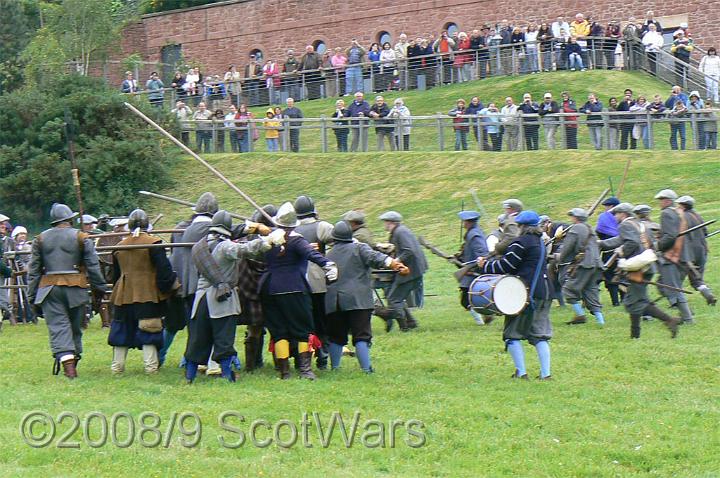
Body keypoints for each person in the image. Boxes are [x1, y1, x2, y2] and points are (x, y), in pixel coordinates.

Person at [185, 211, 276, 383]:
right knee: (224, 339)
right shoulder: (225, 246)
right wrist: (267, 242)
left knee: (197, 340)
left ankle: (190, 377)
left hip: (201, 299)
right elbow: (246, 249)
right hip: (221, 300)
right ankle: (228, 375)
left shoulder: (199, 245)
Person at [27, 204, 107, 379]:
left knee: (59, 327)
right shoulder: (81, 237)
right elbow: (93, 267)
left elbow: (33, 271)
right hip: (76, 288)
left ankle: (68, 365)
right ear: (70, 219)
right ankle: (71, 364)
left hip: (49, 289)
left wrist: (31, 296)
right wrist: (100, 289)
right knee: (75, 328)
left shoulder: (40, 239)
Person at [259, 202, 337, 380]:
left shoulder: (267, 240)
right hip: (294, 288)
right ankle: (305, 370)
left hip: (270, 289)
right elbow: (311, 254)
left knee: (280, 332)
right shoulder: (296, 240)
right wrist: (327, 264)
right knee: (303, 331)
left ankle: (284, 372)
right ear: (294, 224)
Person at [476, 210, 553, 380]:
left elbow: (506, 266)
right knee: (540, 335)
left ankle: (521, 372)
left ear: (521, 226)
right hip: (544, 291)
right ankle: (546, 374)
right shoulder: (539, 242)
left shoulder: (520, 243)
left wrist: (485, 265)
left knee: (512, 334)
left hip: (524, 294)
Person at [325, 221, 406, 373]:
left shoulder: (328, 254)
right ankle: (366, 369)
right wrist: (394, 264)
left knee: (336, 337)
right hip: (358, 300)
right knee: (361, 336)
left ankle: (335, 368)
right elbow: (377, 258)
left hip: (334, 301)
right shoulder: (359, 248)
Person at [108, 209, 177, 375]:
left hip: (123, 294)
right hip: (148, 294)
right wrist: (166, 290)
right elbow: (164, 272)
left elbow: (115, 275)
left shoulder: (119, 246)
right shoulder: (154, 243)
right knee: (149, 328)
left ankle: (117, 368)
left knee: (121, 330)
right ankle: (150, 368)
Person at [598, 202, 680, 339]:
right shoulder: (639, 224)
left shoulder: (625, 225)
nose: (615, 217)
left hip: (637, 268)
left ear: (623, 214)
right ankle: (635, 335)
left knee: (635, 302)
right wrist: (602, 244)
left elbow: (631, 243)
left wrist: (622, 252)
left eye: (616, 214)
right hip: (646, 265)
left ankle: (669, 320)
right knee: (636, 300)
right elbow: (621, 239)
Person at [160, 192, 219, 367]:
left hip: (179, 283)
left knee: (174, 324)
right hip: (196, 283)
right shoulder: (208, 230)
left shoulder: (181, 228)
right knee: (194, 325)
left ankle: (159, 357)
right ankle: (187, 360)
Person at [293, 195, 335, 370]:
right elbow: (338, 244)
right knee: (321, 321)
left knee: (303, 323)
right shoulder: (323, 227)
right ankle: (323, 354)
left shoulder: (291, 229)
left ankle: (303, 358)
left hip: (297, 282)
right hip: (318, 282)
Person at [374, 211, 428, 332]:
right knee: (395, 297)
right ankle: (410, 322)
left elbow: (408, 251)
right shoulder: (400, 231)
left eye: (386, 222)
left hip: (410, 271)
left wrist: (395, 262)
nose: (384, 225)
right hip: (413, 270)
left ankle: (404, 327)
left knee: (393, 299)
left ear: (391, 222)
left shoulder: (400, 232)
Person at [557, 208, 604, 325]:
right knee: (590, 291)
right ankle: (600, 321)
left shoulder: (576, 228)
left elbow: (568, 247)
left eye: (572, 216)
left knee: (568, 289)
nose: (571, 218)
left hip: (584, 264)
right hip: (596, 264)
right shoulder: (589, 228)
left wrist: (559, 258)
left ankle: (580, 315)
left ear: (575, 217)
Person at [654, 189, 694, 324]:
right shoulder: (679, 213)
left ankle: (688, 318)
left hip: (672, 256)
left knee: (673, 287)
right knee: (671, 287)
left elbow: (670, 236)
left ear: (668, 201)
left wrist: (658, 246)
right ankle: (686, 315)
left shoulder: (666, 213)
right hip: (683, 254)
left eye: (662, 200)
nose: (660, 203)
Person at [676, 196, 716, 306]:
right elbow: (705, 233)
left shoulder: (681, 217)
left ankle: (677, 303)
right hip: (702, 251)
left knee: (675, 279)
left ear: (683, 205)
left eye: (678, 204)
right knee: (697, 279)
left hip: (688, 253)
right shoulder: (697, 215)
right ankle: (707, 293)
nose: (677, 206)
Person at [455, 211, 488, 325]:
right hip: (471, 268)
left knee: (466, 300)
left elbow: (481, 252)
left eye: (465, 221)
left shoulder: (474, 234)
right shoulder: (473, 232)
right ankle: (485, 316)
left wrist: (472, 265)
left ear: (469, 222)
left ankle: (482, 319)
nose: (463, 224)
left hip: (473, 270)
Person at [596, 196, 623, 307]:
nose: (605, 208)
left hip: (610, 251)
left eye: (607, 206)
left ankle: (616, 302)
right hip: (622, 250)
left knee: (611, 275)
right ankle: (621, 300)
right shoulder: (623, 217)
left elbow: (599, 231)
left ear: (612, 206)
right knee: (620, 275)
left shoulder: (604, 217)